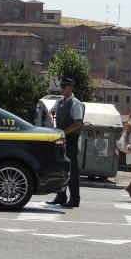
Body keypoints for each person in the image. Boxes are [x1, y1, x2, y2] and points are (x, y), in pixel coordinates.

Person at [46, 77, 84, 208]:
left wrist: (63, 132)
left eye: (64, 87)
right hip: (61, 139)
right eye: (61, 87)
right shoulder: (60, 101)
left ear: (70, 88)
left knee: (72, 170)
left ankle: (75, 199)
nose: (62, 89)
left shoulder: (75, 103)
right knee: (61, 169)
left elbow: (78, 124)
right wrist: (51, 117)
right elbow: (51, 111)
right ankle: (61, 196)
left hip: (71, 140)